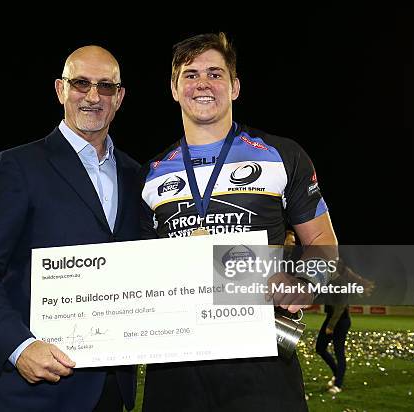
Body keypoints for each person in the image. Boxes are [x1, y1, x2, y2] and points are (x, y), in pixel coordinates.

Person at [140, 33, 338, 411]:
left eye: (215, 74)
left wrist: (306, 284)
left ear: (234, 87)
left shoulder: (282, 155)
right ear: (173, 87)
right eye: (190, 74)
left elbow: (322, 240)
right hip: (175, 365)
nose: (202, 83)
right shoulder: (150, 174)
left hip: (261, 361)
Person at [0, 45, 140, 412]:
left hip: (109, 391)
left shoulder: (137, 176)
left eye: (105, 86)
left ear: (119, 97)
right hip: (28, 391)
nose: (92, 96)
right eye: (81, 83)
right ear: (60, 90)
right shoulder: (18, 166)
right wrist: (18, 347)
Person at [315, 304, 350, 394]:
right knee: (320, 348)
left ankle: (338, 384)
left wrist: (331, 325)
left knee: (339, 352)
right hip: (331, 317)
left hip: (340, 320)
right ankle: (337, 374)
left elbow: (340, 307)